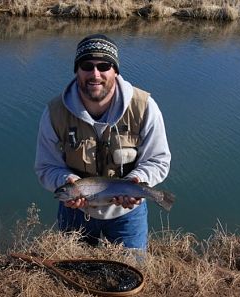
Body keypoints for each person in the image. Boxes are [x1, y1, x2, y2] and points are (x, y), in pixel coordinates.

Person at [34, 34, 171, 250]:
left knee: (131, 271)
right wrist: (66, 180)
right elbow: (46, 167)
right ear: (77, 70)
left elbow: (158, 160)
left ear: (115, 70)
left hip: (128, 216)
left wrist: (137, 180)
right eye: (87, 65)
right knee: (73, 275)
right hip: (74, 214)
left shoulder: (144, 107)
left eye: (104, 66)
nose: (95, 74)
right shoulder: (54, 113)